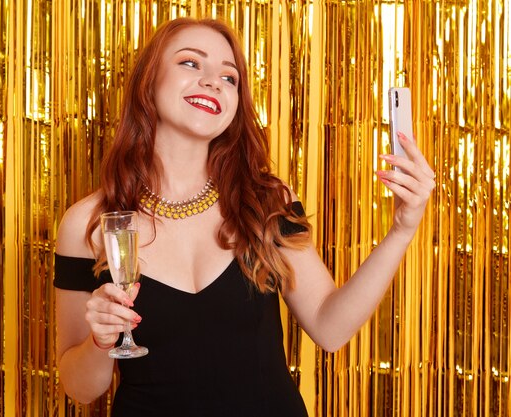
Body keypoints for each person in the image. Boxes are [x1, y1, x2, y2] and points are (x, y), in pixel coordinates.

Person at [53, 17, 435, 417]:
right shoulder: (89, 225)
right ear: (148, 81)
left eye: (230, 77)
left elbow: (330, 327)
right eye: (190, 63)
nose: (214, 81)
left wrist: (401, 229)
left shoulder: (266, 201)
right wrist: (100, 340)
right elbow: (80, 389)